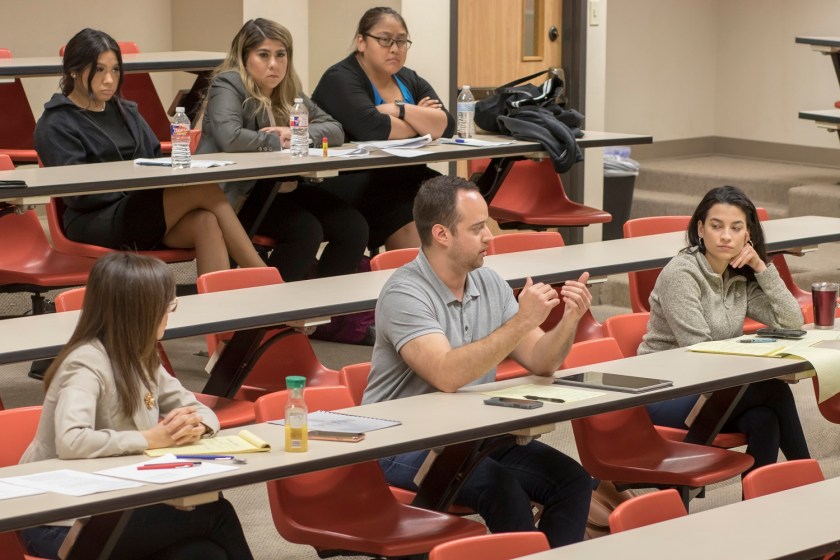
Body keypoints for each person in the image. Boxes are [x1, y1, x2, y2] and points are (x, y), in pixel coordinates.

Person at [362, 175, 592, 547]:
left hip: (472, 434)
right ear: (442, 234)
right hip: (399, 441)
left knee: (572, 481)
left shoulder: (489, 282)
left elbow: (542, 361)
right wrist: (521, 320)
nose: (490, 236)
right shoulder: (405, 292)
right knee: (502, 489)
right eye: (477, 228)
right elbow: (447, 374)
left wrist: (569, 321)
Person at [19, 252, 253, 560]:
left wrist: (195, 426)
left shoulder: (141, 357)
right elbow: (71, 440)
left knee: (202, 552)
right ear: (140, 312)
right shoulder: (84, 363)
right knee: (216, 514)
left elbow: (198, 409)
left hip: (109, 503)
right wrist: (151, 439)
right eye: (167, 307)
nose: (170, 314)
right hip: (56, 518)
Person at [35, 28, 265, 276]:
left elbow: (153, 156)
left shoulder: (125, 110)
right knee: (204, 188)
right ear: (74, 70)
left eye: (115, 70)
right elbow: (78, 195)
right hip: (94, 221)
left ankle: (220, 308)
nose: (109, 79)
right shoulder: (55, 123)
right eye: (99, 69)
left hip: (139, 210)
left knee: (205, 222)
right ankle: (265, 280)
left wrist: (155, 186)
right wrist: (136, 188)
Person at [639, 185, 810, 473]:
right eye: (716, 226)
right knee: (774, 391)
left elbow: (792, 321)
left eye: (736, 228)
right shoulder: (681, 274)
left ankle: (754, 509)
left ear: (748, 235)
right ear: (701, 229)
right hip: (667, 392)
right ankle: (809, 478)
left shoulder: (737, 276)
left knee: (764, 418)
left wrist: (761, 266)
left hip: (713, 389)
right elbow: (698, 350)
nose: (726, 236)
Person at [198, 18, 368, 281]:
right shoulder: (228, 84)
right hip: (237, 194)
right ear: (244, 58)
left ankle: (323, 312)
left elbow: (335, 129)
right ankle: (275, 314)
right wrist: (279, 141)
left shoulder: (288, 90)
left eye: (281, 55)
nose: (274, 64)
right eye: (263, 55)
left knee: (352, 226)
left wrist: (296, 134)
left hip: (280, 188)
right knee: (306, 230)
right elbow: (230, 138)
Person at [312, 6, 456, 251]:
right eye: (384, 40)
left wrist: (397, 109)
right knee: (409, 213)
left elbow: (446, 124)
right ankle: (409, 285)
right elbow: (374, 128)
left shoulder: (408, 78)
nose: (394, 48)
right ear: (361, 42)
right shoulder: (340, 78)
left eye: (401, 41)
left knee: (456, 197)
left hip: (406, 174)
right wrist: (421, 121)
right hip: (355, 178)